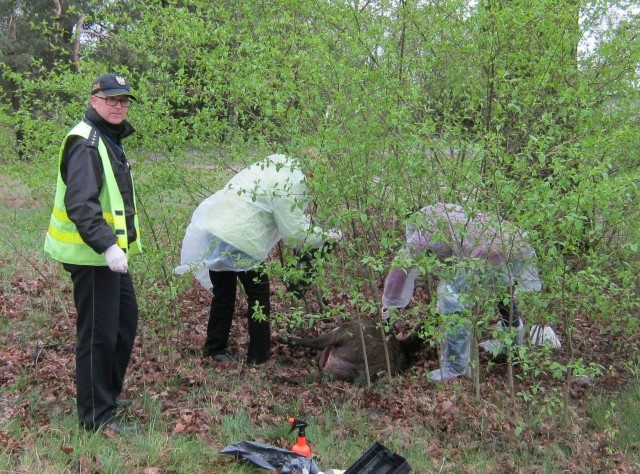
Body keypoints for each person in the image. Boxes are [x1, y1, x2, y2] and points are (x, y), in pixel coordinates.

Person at [44, 73, 142, 433]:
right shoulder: (86, 143)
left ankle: (105, 397)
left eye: (124, 101)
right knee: (99, 334)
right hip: (93, 256)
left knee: (123, 324)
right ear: (95, 100)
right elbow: (81, 206)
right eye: (112, 99)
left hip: (108, 256)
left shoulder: (107, 139)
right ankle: (96, 417)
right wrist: (108, 246)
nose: (119, 106)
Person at [175, 154, 338, 365]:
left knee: (224, 294)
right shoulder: (292, 183)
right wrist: (329, 236)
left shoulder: (280, 167)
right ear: (312, 173)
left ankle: (214, 349)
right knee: (258, 294)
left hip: (216, 228)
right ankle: (258, 357)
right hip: (240, 237)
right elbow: (294, 234)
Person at [381, 202, 542, 381]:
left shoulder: (424, 232)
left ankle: (456, 367)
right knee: (502, 290)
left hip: (489, 249)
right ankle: (510, 345)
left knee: (450, 295)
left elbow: (401, 267)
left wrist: (388, 305)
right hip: (516, 242)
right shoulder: (449, 215)